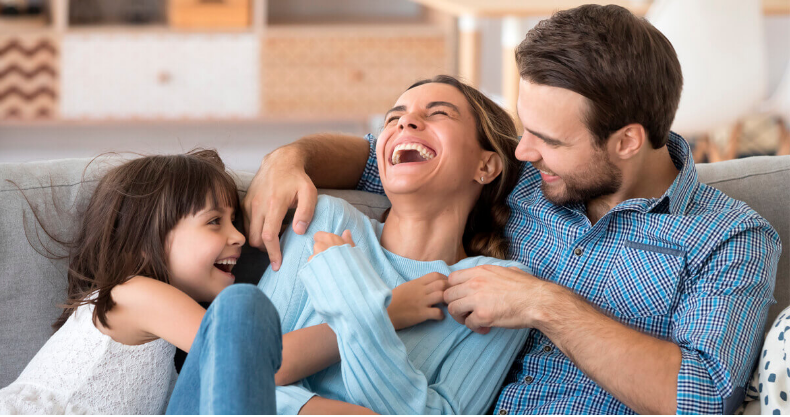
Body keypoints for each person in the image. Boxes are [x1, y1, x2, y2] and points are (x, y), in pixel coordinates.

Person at [243, 5, 782, 415]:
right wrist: (293, 157)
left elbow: (700, 398)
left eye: (546, 139)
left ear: (626, 141)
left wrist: (545, 304)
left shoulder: (728, 238)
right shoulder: (519, 178)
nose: (522, 151)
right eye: (523, 129)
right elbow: (383, 158)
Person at [254, 74, 531, 414]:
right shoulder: (326, 222)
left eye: (439, 113)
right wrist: (384, 314)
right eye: (393, 118)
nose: (406, 122)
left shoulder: (497, 287)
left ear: (485, 165)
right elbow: (239, 371)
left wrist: (352, 295)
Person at [0, 150, 281, 414]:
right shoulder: (135, 294)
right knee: (242, 306)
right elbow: (254, 358)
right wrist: (328, 326)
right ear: (146, 241)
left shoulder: (153, 325)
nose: (240, 237)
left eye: (234, 220)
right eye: (214, 221)